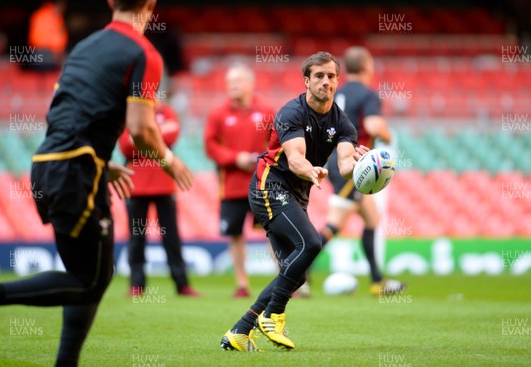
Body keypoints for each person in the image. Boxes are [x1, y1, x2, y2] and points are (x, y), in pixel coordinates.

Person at [0, 0, 193, 366]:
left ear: (111, 3)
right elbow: (141, 128)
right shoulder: (144, 54)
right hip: (74, 172)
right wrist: (170, 159)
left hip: (53, 164)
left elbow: (65, 111)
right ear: (151, 5)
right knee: (88, 281)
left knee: (90, 274)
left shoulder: (82, 48)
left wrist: (100, 160)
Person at [220, 51, 368, 352]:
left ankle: (239, 330)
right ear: (306, 81)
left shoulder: (343, 123)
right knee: (311, 244)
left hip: (295, 195)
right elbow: (296, 158)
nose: (326, 82)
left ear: (338, 80)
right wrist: (310, 170)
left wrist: (364, 165)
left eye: (331, 76)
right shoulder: (291, 112)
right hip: (268, 186)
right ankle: (273, 314)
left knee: (294, 272)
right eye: (319, 76)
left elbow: (343, 165)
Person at [318, 46, 407, 297]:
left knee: (372, 219)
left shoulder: (335, 93)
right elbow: (373, 124)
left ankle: (377, 281)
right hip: (354, 164)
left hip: (334, 159)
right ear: (368, 66)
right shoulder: (368, 95)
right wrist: (388, 135)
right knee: (334, 224)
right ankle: (294, 273)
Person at [204, 63, 274, 298]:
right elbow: (210, 146)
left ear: (249, 84)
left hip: (262, 184)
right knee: (235, 234)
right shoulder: (218, 113)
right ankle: (242, 284)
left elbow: (277, 143)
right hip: (231, 187)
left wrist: (260, 160)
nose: (232, 86)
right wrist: (237, 158)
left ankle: (283, 281)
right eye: (229, 82)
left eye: (237, 81)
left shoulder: (265, 111)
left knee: (273, 231)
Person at [118, 99, 200, 297]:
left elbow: (171, 136)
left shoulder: (166, 110)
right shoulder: (131, 111)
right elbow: (124, 146)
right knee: (136, 237)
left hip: (164, 183)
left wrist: (142, 136)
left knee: (171, 236)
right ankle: (136, 284)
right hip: (136, 186)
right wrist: (155, 136)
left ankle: (182, 284)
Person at [28, 0, 68, 72]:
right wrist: (56, 51)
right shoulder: (49, 16)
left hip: (46, 53)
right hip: (44, 53)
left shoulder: (52, 16)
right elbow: (40, 38)